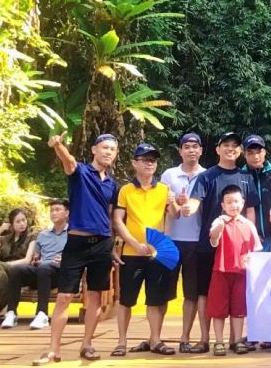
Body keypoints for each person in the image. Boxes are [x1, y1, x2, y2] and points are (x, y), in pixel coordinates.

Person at [30, 133, 118, 366]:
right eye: (104, 147)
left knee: (95, 297)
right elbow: (68, 161)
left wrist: (113, 245)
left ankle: (87, 344)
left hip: (102, 244)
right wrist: (58, 145)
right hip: (76, 244)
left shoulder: (112, 184)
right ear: (94, 150)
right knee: (65, 296)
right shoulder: (80, 172)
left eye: (112, 149)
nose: (108, 152)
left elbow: (109, 216)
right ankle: (53, 349)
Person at [187, 131, 259, 344]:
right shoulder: (206, 176)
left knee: (237, 295)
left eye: (235, 145)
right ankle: (205, 338)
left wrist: (250, 245)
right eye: (225, 144)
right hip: (209, 245)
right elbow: (194, 203)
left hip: (238, 250)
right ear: (217, 149)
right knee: (205, 293)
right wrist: (185, 207)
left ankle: (234, 340)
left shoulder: (246, 177)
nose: (230, 148)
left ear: (240, 151)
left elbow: (251, 212)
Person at [111, 142, 177, 357]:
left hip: (157, 253)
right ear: (134, 163)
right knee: (126, 299)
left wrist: (176, 204)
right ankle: (121, 341)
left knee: (156, 298)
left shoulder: (165, 190)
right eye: (145, 159)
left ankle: (156, 340)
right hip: (131, 253)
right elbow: (118, 220)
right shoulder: (125, 190)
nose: (150, 164)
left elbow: (173, 216)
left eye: (153, 160)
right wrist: (133, 244)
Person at [160, 131, 209, 353]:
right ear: (180, 150)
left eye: (195, 146)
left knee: (192, 293)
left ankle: (184, 337)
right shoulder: (169, 175)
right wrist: (175, 205)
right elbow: (163, 208)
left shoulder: (208, 175)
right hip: (170, 240)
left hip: (196, 242)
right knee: (163, 290)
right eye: (186, 146)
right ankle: (156, 337)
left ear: (201, 150)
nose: (191, 150)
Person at [207, 185, 261, 356]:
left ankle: (237, 340)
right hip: (221, 271)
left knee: (238, 309)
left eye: (236, 201)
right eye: (229, 202)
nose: (233, 205)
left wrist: (250, 259)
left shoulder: (249, 224)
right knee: (218, 309)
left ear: (243, 203)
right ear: (223, 205)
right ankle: (218, 341)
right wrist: (219, 227)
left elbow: (256, 250)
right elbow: (213, 238)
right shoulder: (219, 221)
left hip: (241, 273)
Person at [1, 201, 67, 331]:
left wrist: (67, 258)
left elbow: (80, 254)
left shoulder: (73, 234)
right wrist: (36, 259)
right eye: (52, 210)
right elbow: (36, 256)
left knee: (44, 268)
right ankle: (11, 313)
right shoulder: (43, 234)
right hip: (41, 271)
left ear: (67, 213)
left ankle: (42, 314)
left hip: (60, 272)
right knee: (16, 270)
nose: (54, 213)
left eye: (58, 210)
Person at [241, 134, 271, 251]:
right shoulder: (240, 176)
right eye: (250, 153)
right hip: (247, 237)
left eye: (259, 152)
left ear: (265, 152)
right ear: (244, 154)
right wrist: (252, 234)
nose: (255, 156)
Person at [0, 208, 33, 314]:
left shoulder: (32, 237)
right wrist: (0, 230)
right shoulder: (5, 239)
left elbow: (28, 260)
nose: (22, 224)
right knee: (0, 274)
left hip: (20, 269)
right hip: (2, 271)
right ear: (11, 224)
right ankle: (4, 308)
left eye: (24, 220)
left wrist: (6, 264)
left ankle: (3, 307)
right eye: (18, 221)